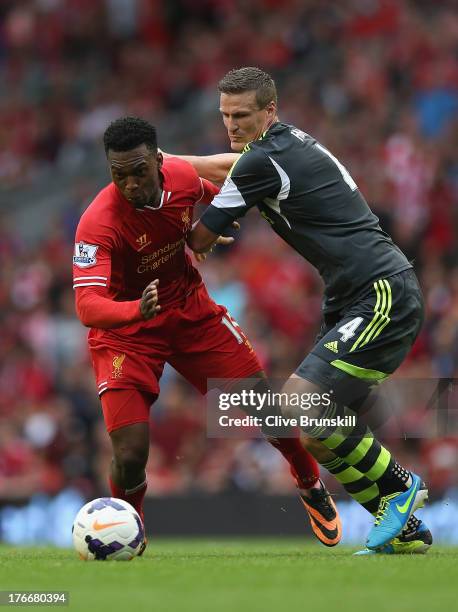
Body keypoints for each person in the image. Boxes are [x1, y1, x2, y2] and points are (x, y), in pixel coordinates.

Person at [184, 67, 431, 555]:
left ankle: (401, 486)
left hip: (381, 290)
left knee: (300, 400)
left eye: (242, 115)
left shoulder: (261, 162)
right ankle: (403, 531)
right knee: (319, 434)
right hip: (353, 296)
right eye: (225, 116)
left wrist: (164, 202)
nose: (232, 125)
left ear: (268, 111)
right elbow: (225, 166)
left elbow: (199, 238)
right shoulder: (281, 146)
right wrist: (166, 161)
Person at [72, 115, 342, 553]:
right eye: (118, 174)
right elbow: (87, 306)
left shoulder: (181, 177)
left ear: (158, 161)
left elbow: (213, 194)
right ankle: (126, 533)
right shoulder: (97, 223)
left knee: (265, 407)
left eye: (138, 171)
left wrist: (218, 223)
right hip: (126, 333)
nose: (130, 184)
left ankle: (309, 481)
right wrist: (133, 310)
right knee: (130, 453)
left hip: (190, 313)